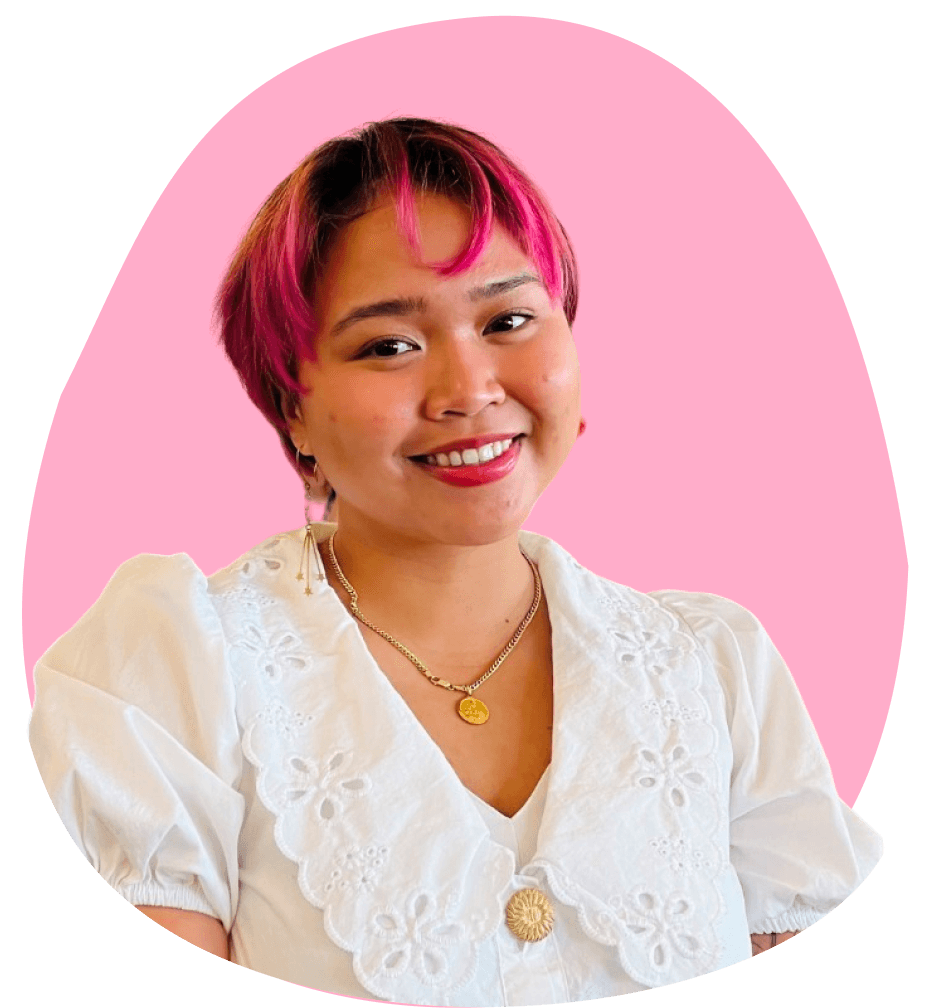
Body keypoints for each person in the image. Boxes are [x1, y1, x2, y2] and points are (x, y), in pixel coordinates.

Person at [27, 118, 882, 1005]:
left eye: (510, 319)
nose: (471, 390)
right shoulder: (169, 674)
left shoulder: (718, 668)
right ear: (293, 410)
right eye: (389, 345)